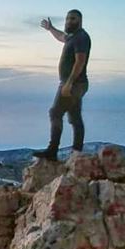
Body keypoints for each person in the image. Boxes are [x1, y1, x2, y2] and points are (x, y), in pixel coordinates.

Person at [32, 9, 91, 162]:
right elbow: (61, 37)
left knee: (55, 113)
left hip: (73, 84)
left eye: (72, 19)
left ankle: (53, 150)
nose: (68, 21)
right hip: (75, 84)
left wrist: (69, 83)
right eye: (67, 19)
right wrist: (51, 29)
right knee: (74, 117)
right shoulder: (73, 37)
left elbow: (80, 62)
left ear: (80, 20)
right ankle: (77, 153)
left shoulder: (81, 38)